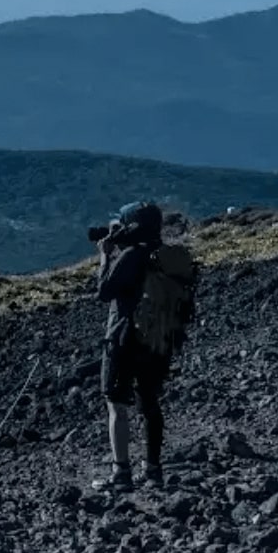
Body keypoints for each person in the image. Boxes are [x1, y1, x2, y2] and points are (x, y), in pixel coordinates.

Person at [87, 200, 192, 489]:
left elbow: (105, 291)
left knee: (116, 404)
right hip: (158, 340)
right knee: (149, 403)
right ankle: (153, 470)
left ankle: (121, 474)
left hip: (123, 339)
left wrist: (105, 256)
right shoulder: (170, 255)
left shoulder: (131, 255)